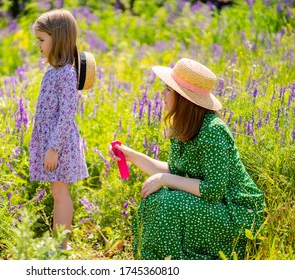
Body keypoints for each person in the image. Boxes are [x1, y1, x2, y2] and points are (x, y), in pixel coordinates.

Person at [109, 58, 266, 260]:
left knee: (168, 202)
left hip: (236, 213)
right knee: (156, 199)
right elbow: (174, 172)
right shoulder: (186, 126)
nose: (163, 94)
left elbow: (213, 189)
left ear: (184, 98)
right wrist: (132, 156)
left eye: (168, 89)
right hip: (215, 207)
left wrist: (163, 180)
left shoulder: (213, 130)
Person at [29, 9, 89, 250]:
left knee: (61, 194)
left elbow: (66, 115)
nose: (39, 46)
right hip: (53, 143)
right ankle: (58, 244)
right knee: (57, 193)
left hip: (59, 145)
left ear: (59, 38)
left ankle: (62, 247)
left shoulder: (65, 73)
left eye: (42, 40)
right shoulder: (54, 70)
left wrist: (53, 148)